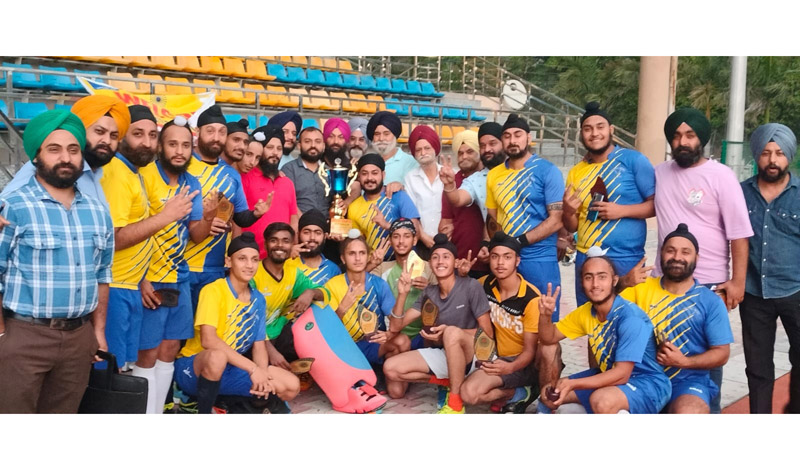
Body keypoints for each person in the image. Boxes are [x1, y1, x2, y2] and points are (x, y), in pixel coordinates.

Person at [0, 110, 114, 413]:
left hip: (79, 340)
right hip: (22, 336)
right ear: (36, 157)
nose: (66, 157)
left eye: (73, 149)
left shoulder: (97, 210)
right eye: (54, 149)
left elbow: (103, 274)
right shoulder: (12, 205)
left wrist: (97, 332)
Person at [652, 107, 753, 413]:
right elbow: (646, 206)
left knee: (709, 361)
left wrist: (737, 281)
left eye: (690, 135)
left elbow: (739, 233)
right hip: (664, 283)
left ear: (702, 139)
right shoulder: (660, 173)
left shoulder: (721, 176)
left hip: (709, 285)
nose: (682, 141)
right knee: (663, 357)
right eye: (677, 135)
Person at [135, 117, 218, 413]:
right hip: (148, 280)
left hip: (179, 278)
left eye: (185, 144)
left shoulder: (191, 182)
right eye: (172, 144)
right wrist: (141, 278)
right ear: (160, 146)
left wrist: (208, 216)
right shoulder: (144, 176)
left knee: (169, 351)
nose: (180, 151)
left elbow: (196, 235)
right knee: (147, 353)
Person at [100, 105, 192, 371]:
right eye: (138, 134)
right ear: (121, 136)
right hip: (115, 287)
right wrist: (165, 217)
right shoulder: (117, 174)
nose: (147, 142)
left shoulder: (133, 171)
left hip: (131, 284)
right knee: (111, 374)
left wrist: (141, 278)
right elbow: (113, 240)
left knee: (123, 371)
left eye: (152, 135)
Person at [174, 233, 299, 414]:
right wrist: (253, 369)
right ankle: (196, 406)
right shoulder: (213, 291)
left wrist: (262, 374)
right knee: (217, 357)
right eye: (242, 259)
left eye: (254, 260)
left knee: (291, 385)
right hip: (194, 368)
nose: (249, 265)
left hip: (232, 368)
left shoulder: (258, 299)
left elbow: (259, 346)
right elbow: (208, 340)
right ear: (228, 261)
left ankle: (223, 403)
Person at [537, 252, 671, 414]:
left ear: (614, 281)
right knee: (548, 394)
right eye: (588, 277)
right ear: (582, 282)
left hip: (648, 383)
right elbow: (548, 337)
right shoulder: (586, 312)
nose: (595, 284)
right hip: (609, 377)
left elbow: (622, 374)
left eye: (602, 277)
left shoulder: (630, 317)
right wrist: (545, 315)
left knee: (602, 400)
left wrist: (573, 383)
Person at [620, 224, 733, 413]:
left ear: (696, 258)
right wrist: (622, 283)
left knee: (690, 412)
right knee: (607, 405)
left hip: (688, 381)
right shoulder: (638, 288)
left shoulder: (710, 301)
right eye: (670, 251)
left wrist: (684, 362)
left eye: (685, 252)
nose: (677, 257)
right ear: (661, 254)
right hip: (643, 378)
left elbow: (722, 353)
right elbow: (601, 306)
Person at [383, 234, 493, 414]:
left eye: (446, 257)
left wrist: (452, 333)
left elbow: (487, 333)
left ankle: (455, 403)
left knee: (451, 333)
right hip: (447, 354)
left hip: (475, 355)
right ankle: (452, 382)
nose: (440, 261)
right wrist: (402, 294)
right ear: (430, 264)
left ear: (455, 262)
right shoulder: (429, 293)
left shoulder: (471, 286)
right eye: (435, 257)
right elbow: (395, 327)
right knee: (391, 369)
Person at [562, 102, 655, 306]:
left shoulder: (633, 160)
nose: (594, 133)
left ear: (610, 130)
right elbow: (572, 226)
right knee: (592, 324)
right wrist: (568, 212)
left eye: (600, 127)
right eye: (588, 129)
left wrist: (621, 210)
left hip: (626, 258)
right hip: (587, 259)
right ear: (581, 134)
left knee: (630, 323)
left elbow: (656, 205)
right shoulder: (576, 172)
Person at [740, 123, 800, 413]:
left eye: (778, 153)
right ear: (757, 156)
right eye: (765, 153)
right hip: (753, 294)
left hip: (795, 291)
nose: (772, 160)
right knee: (757, 367)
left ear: (789, 155)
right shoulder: (740, 193)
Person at [186, 105, 269, 311]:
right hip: (180, 266)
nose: (216, 137)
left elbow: (241, 218)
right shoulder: (183, 166)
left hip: (214, 269)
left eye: (221, 132)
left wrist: (255, 214)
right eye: (211, 131)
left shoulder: (232, 175)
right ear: (198, 133)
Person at [485, 114, 565, 319]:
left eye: (518, 135)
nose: (512, 140)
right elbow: (493, 220)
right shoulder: (494, 175)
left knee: (545, 323)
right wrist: (498, 246)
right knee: (510, 321)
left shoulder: (548, 171)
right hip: (508, 260)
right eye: (507, 136)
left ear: (529, 138)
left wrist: (518, 241)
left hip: (540, 258)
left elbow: (556, 219)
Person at [459, 232, 540, 414]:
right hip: (494, 357)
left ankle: (523, 389)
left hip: (521, 363)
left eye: (507, 257)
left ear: (517, 261)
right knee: (468, 394)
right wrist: (462, 276)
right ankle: (515, 393)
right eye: (495, 257)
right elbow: (458, 294)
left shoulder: (531, 298)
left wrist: (509, 367)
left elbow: (530, 351)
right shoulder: (484, 284)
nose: (500, 263)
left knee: (472, 394)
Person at [0, 94, 131, 206]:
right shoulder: (46, 168)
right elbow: (6, 206)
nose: (107, 141)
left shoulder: (96, 172)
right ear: (79, 132)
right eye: (99, 132)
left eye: (114, 136)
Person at [324, 231, 410, 372]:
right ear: (343, 258)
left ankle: (383, 374)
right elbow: (327, 331)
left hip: (373, 344)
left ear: (368, 256)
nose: (358, 258)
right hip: (345, 348)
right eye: (352, 254)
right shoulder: (332, 285)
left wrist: (402, 294)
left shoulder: (379, 284)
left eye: (362, 253)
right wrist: (342, 309)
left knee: (403, 341)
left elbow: (396, 325)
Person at [252, 223, 328, 374]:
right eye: (274, 240)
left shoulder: (292, 272)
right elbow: (248, 321)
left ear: (292, 244)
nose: (280, 245)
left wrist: (310, 292)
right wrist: (271, 352)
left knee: (314, 329)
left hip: (278, 333)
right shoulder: (252, 273)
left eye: (286, 241)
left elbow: (325, 293)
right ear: (266, 244)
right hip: (254, 340)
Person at [369, 218, 437, 348]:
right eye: (396, 236)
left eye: (406, 236)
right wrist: (372, 263)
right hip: (390, 335)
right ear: (390, 241)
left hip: (423, 335)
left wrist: (429, 288)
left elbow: (447, 298)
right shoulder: (382, 267)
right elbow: (359, 282)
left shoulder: (429, 268)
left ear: (415, 240)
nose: (401, 241)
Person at [439, 128, 495, 277]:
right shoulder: (451, 181)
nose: (464, 156)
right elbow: (445, 222)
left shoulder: (493, 177)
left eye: (470, 152)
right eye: (460, 153)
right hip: (461, 260)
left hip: (492, 257)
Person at [346, 154, 421, 261]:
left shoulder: (399, 196)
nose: (369, 178)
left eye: (375, 173)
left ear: (383, 175)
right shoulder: (354, 207)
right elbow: (358, 243)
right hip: (374, 266)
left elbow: (415, 232)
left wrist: (386, 225)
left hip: (405, 263)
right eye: (364, 174)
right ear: (358, 176)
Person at [241, 126, 298, 258]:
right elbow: (236, 219)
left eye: (279, 149)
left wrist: (293, 245)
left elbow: (293, 219)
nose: (275, 153)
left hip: (281, 258)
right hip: (251, 257)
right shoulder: (245, 178)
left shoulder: (287, 182)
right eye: (270, 147)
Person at [403, 125, 442, 258]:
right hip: (421, 243)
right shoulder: (410, 178)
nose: (423, 153)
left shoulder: (449, 173)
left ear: (435, 149)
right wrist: (423, 236)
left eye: (427, 148)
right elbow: (411, 213)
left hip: (448, 241)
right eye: (418, 150)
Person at [282, 127, 329, 215]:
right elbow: (287, 202)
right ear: (299, 145)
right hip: (299, 225)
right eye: (307, 141)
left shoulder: (329, 172)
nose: (313, 145)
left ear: (323, 146)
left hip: (326, 225)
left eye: (318, 141)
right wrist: (305, 222)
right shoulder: (289, 169)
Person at [290, 209, 341, 286]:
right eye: (306, 232)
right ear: (298, 234)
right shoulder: (287, 263)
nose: (312, 237)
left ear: (324, 236)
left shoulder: (333, 270)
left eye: (318, 233)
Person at [367, 111, 418, 184]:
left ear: (395, 135)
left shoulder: (411, 163)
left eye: (386, 134)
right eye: (377, 134)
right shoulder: (367, 161)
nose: (381, 138)